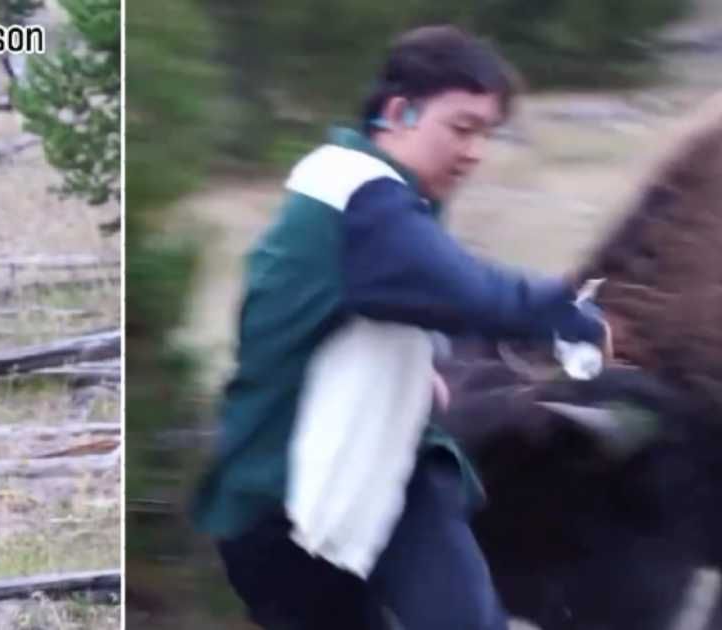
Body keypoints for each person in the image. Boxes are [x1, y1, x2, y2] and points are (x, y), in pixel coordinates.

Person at [190, 25, 612, 630]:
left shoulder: (357, 191)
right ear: (399, 112)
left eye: (486, 134)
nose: (475, 153)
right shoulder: (361, 199)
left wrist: (419, 372)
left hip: (384, 472)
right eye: (462, 128)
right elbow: (468, 292)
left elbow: (390, 307)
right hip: (290, 499)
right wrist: (567, 317)